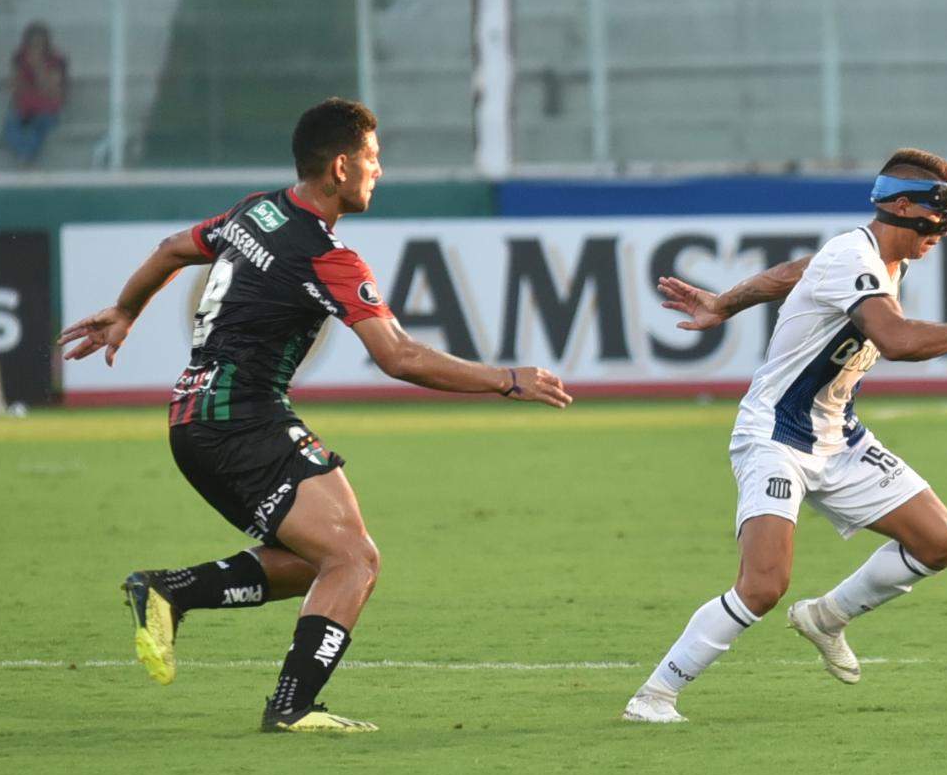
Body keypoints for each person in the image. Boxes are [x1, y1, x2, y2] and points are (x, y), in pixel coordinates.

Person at [58, 97, 573, 733]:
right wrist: (505, 380)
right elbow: (399, 357)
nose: (378, 172)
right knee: (355, 559)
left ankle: (171, 591)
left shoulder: (257, 209)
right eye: (373, 159)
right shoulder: (327, 256)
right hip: (239, 419)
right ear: (339, 167)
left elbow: (170, 249)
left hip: (197, 417)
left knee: (317, 558)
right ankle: (292, 707)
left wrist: (125, 309)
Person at [622, 147, 947, 723]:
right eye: (934, 220)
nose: (941, 231)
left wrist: (724, 302)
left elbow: (794, 273)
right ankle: (655, 695)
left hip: (837, 437)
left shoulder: (876, 259)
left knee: (939, 543)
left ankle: (826, 616)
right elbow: (897, 341)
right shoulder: (853, 255)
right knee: (764, 585)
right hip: (774, 435)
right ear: (899, 206)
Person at [3, 21, 68, 165]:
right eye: (32, 43)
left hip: (48, 109)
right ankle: (24, 153)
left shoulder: (56, 60)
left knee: (38, 125)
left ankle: (26, 156)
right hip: (24, 108)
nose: (36, 47)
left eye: (40, 43)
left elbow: (52, 91)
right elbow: (15, 88)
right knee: (10, 123)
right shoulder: (19, 58)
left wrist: (38, 66)